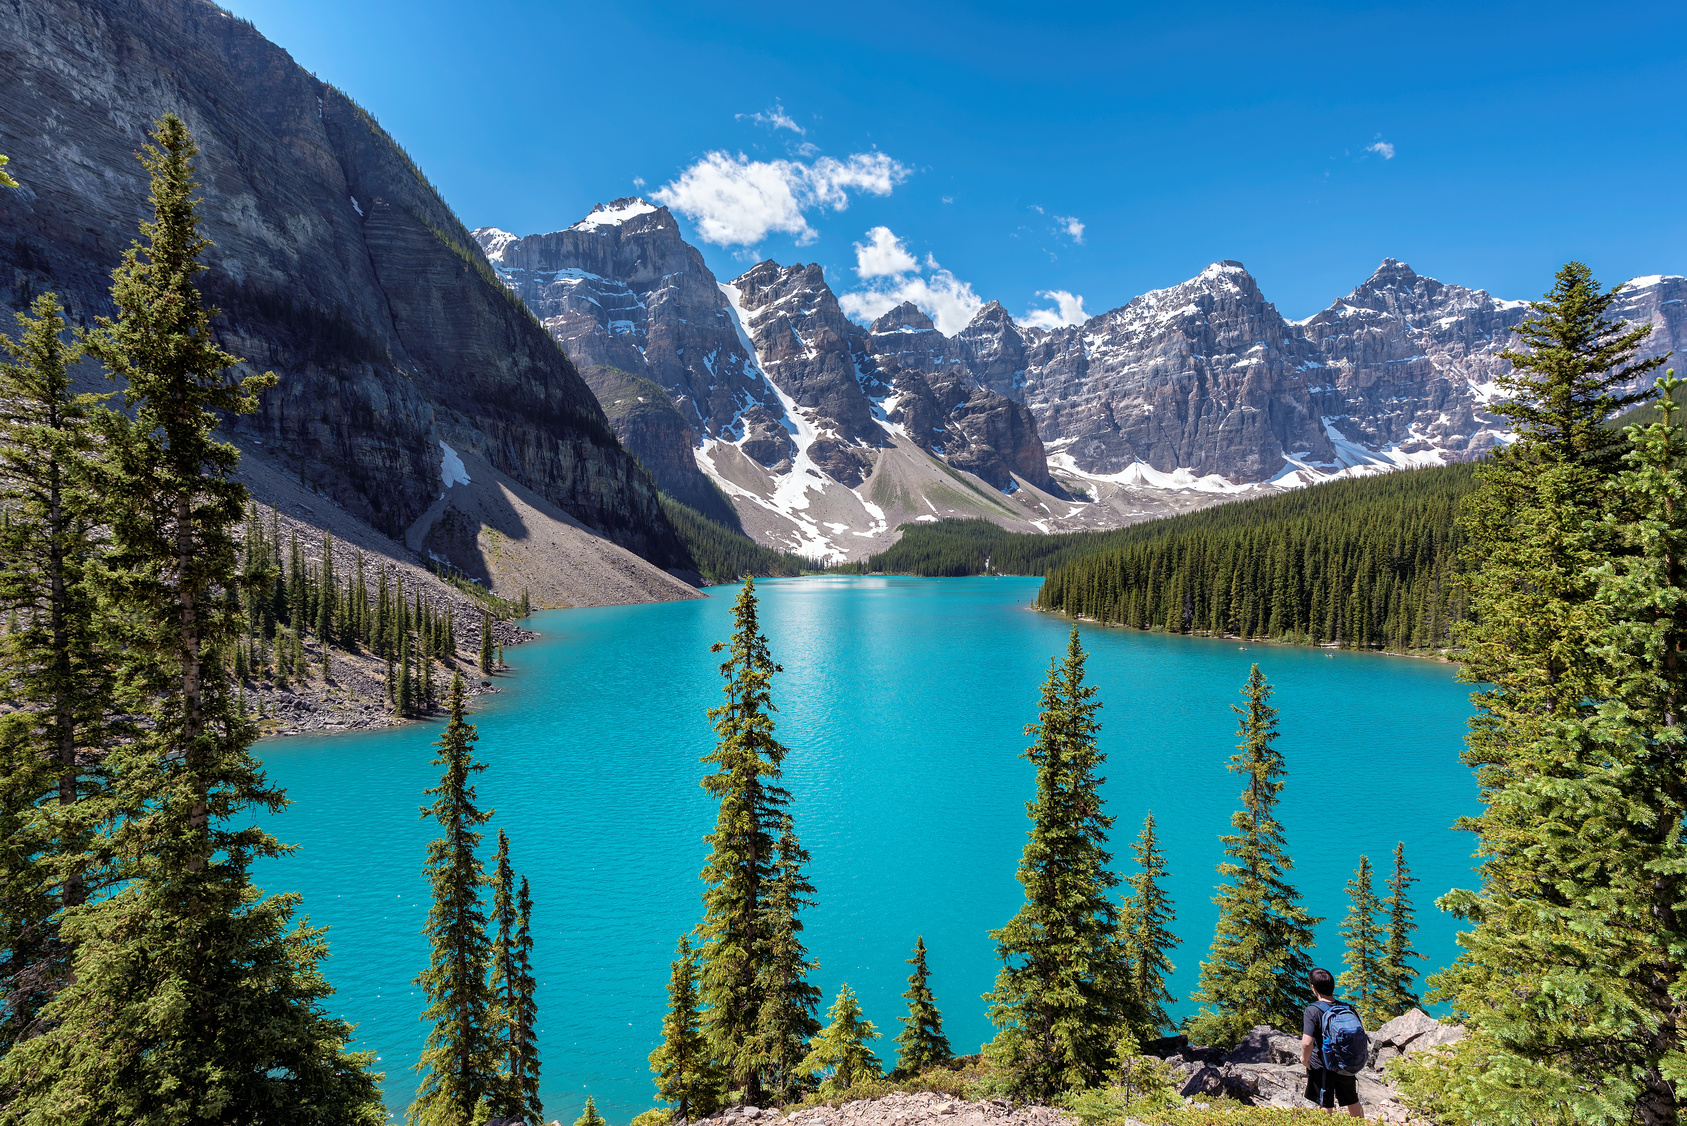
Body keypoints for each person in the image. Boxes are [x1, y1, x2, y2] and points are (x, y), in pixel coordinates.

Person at [1300, 967, 1364, 1117]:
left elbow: (1307, 1043)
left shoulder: (1312, 1011)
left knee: (1325, 1103)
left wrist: (1305, 1059)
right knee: (1352, 1099)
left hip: (1323, 1065)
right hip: (1346, 1061)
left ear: (1313, 988)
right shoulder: (1347, 1008)